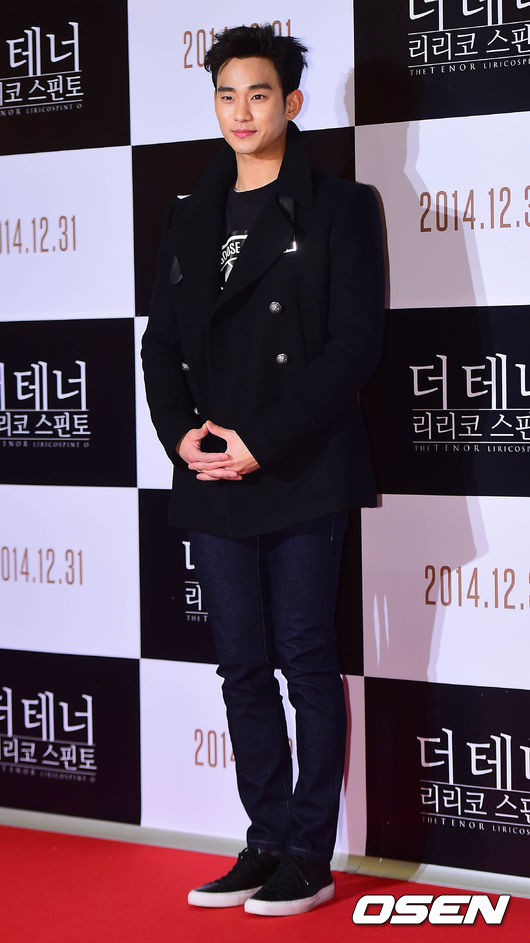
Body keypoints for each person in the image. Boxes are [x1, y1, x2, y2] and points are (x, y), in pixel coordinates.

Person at [141, 23, 384, 918]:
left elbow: (355, 345)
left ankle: (309, 857)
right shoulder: (188, 213)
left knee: (306, 657)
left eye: (259, 94)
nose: (241, 111)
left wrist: (264, 442)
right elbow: (160, 344)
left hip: (301, 464)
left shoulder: (342, 207)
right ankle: (265, 841)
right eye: (227, 95)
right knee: (240, 664)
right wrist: (181, 435)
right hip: (213, 471)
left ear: (292, 102)